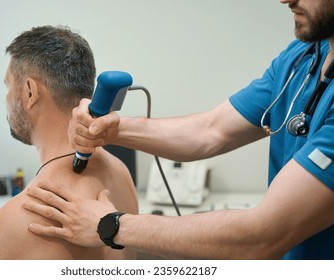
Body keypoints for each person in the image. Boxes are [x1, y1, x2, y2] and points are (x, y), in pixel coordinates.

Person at [23, 0, 334, 260]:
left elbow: (263, 236)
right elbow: (210, 131)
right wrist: (113, 130)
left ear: (29, 91)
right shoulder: (302, 55)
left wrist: (111, 225)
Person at [0, 25, 138, 260]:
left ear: (30, 92)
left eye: (8, 86)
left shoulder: (15, 219)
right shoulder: (120, 172)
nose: (6, 98)